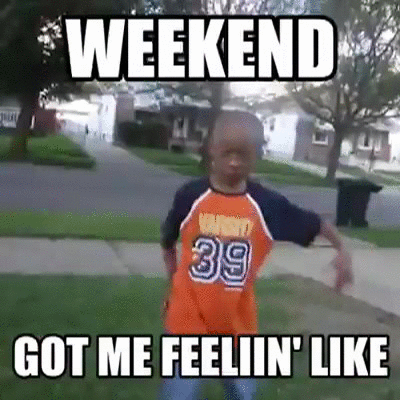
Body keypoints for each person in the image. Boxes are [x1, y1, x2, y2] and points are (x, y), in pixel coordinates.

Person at [159, 112, 353, 400]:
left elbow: (315, 223)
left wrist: (342, 249)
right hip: (187, 322)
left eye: (243, 155)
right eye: (227, 153)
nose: (234, 162)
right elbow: (168, 239)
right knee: (178, 395)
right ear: (211, 148)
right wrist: (173, 281)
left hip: (237, 324)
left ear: (257, 155)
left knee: (242, 394)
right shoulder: (190, 196)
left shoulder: (267, 205)